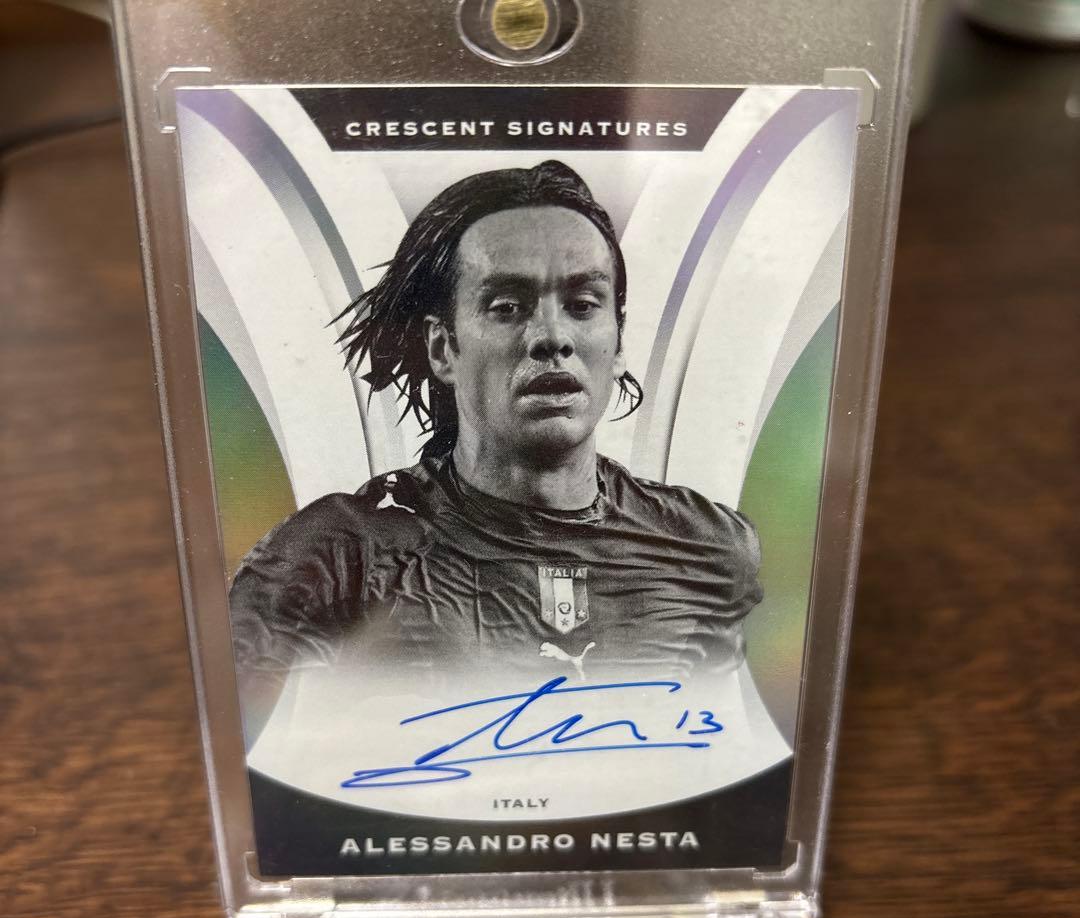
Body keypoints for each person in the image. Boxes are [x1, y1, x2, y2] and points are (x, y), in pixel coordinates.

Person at [228, 160, 762, 710]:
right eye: (507, 308)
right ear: (443, 348)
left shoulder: (709, 548)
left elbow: (718, 741)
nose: (552, 337)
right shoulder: (336, 555)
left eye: (583, 306)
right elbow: (242, 745)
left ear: (619, 342)